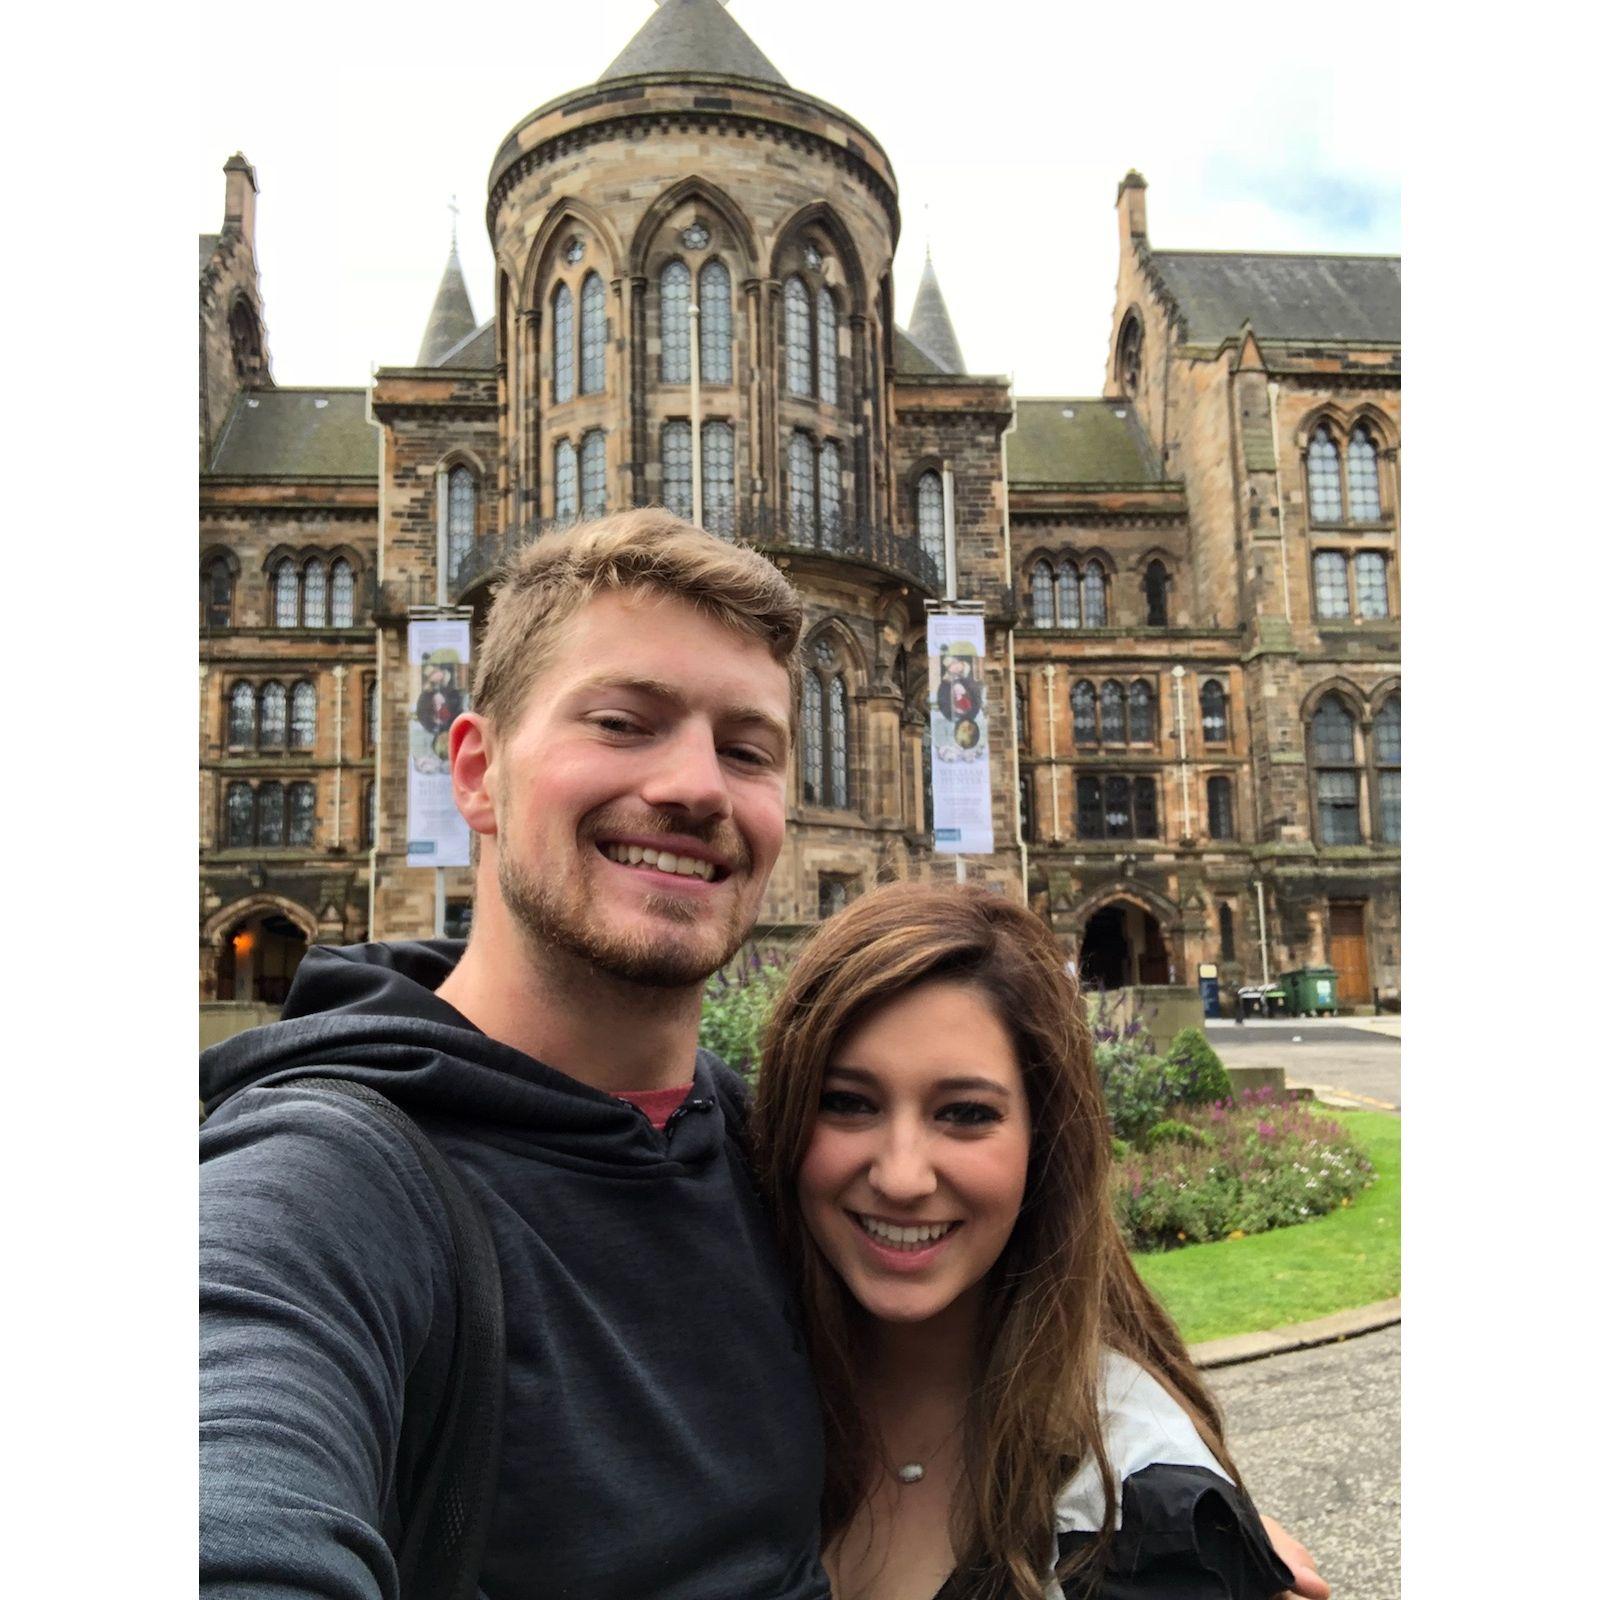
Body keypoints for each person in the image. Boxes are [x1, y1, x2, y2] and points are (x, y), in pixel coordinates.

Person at [200, 509, 1325, 1598]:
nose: (695, 786)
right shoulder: (323, 1186)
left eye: (746, 749)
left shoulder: (765, 1152)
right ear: (475, 771)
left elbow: (1025, 1301)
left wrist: (1169, 1507)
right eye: (622, 722)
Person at [753, 882, 1308, 1600]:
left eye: (965, 1113)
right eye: (847, 1102)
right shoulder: (719, 1383)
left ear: (1045, 1140)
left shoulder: (1141, 1515)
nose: (901, 1176)